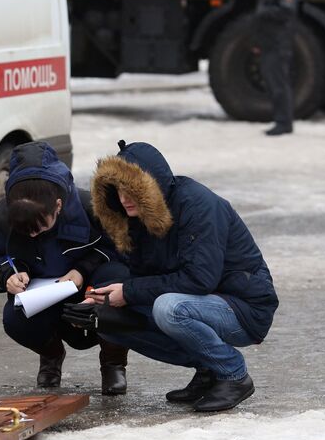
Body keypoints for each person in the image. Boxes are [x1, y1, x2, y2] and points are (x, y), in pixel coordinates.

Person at [65, 140, 279, 412]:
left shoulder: (198, 205)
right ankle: (208, 370)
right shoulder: (135, 217)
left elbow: (200, 280)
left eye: (132, 190)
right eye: (119, 190)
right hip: (202, 302)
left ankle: (233, 374)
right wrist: (104, 297)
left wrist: (129, 292)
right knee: (109, 318)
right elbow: (143, 277)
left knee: (168, 309)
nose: (124, 198)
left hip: (244, 308)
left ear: (151, 186)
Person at [0, 141, 132, 394]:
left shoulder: (90, 207)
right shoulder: (1, 216)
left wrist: (81, 271)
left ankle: (113, 364)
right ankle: (51, 357)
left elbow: (120, 250)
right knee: (15, 319)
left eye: (40, 225)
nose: (33, 234)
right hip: (41, 296)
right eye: (26, 230)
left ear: (58, 206)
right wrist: (6, 274)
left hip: (87, 286)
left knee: (116, 282)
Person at [255, 0, 298, 136]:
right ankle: (280, 120)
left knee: (279, 83)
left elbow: (287, 10)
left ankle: (284, 122)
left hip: (278, 43)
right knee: (273, 83)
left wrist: (265, 12)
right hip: (268, 42)